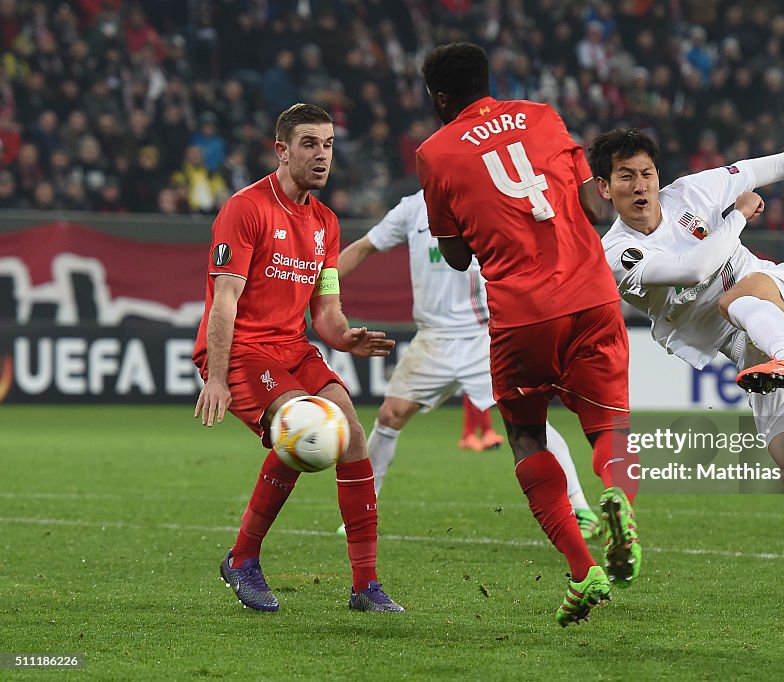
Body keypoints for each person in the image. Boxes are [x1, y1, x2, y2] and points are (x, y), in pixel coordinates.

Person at [590, 101, 784, 632]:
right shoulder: (617, 254)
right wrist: (739, 216)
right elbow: (694, 265)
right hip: (758, 356)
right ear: (605, 187)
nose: (641, 185)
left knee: (735, 296)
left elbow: (780, 163)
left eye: (647, 172)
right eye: (626, 177)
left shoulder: (694, 191)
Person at [416, 42, 640, 627]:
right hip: (591, 294)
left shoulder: (434, 153)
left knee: (524, 435)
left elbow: (458, 255)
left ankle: (581, 569)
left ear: (440, 98)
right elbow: (594, 206)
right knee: (608, 425)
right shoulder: (542, 116)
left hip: (522, 313)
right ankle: (619, 501)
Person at [192, 103, 404, 614]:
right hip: (243, 349)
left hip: (292, 347)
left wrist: (346, 337)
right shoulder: (246, 209)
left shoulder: (326, 224)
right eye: (310, 144)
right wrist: (216, 378)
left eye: (328, 144)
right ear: (282, 150)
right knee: (304, 426)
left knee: (351, 435)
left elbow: (326, 312)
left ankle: (365, 586)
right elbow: (225, 300)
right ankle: (243, 559)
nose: (322, 155)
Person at [334, 189, 601, 539]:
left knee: (527, 422)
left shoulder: (484, 197)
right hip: (432, 340)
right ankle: (361, 512)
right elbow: (365, 246)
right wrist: (319, 287)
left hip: (482, 337)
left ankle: (580, 507)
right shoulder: (411, 208)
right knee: (389, 415)